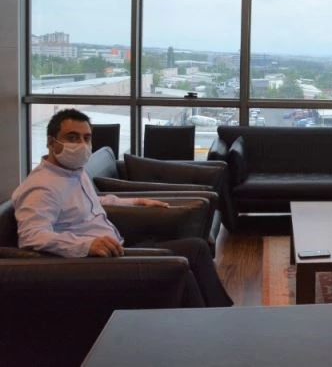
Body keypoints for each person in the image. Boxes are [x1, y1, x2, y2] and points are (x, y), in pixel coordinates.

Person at [12, 108, 232, 307]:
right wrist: (86, 245)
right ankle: (212, 316)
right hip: (101, 262)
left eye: (86, 138)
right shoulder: (42, 187)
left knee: (197, 248)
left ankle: (217, 313)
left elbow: (92, 202)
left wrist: (135, 202)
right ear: (51, 142)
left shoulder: (73, 172)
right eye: (72, 137)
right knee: (188, 261)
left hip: (117, 246)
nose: (81, 144)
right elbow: (32, 235)